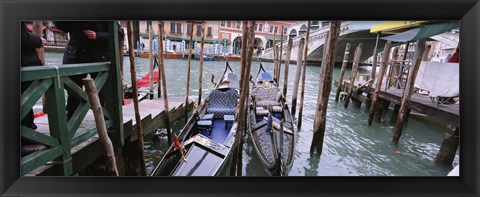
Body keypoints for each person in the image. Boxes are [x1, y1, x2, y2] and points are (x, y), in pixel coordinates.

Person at [55, 21, 124, 119]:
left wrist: (98, 36)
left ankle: (104, 118)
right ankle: (72, 119)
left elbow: (119, 35)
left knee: (100, 91)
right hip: (76, 56)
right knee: (73, 90)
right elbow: (62, 26)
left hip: (98, 59)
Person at [21, 21, 47, 130]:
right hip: (24, 65)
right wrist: (38, 40)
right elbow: (22, 36)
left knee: (25, 99)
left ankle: (28, 129)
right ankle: (27, 133)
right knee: (24, 99)